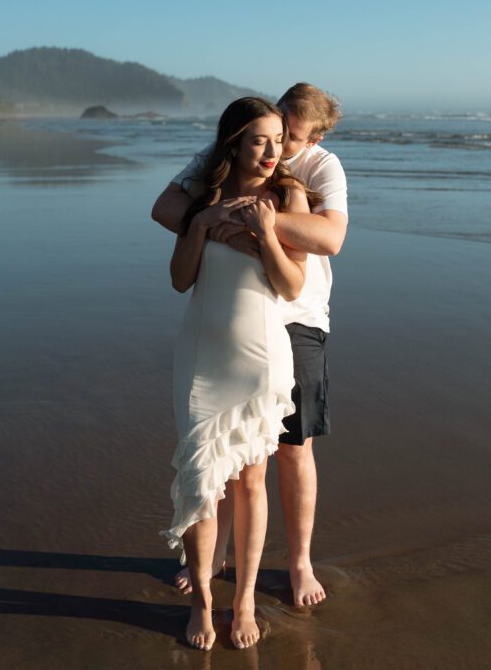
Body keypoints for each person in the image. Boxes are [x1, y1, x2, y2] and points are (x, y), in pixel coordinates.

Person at [152, 83, 348, 609]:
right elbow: (167, 210)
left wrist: (260, 227)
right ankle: (215, 558)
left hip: (294, 324)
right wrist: (208, 224)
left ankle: (297, 563)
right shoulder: (213, 171)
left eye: (287, 137)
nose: (277, 149)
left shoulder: (318, 173)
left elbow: (327, 243)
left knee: (288, 449)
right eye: (267, 134)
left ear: (312, 136)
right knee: (219, 465)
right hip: (214, 340)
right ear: (238, 140)